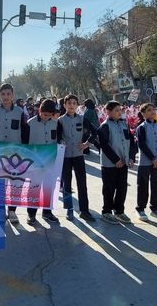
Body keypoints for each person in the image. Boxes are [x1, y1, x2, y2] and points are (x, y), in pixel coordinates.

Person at [0, 83, 29, 224]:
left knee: (15, 182)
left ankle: (12, 211)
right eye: (3, 94)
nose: (5, 97)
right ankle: (0, 210)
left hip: (16, 153)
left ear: (13, 95)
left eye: (8, 94)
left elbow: (24, 132)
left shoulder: (20, 112)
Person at [58, 94, 97, 222]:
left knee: (82, 184)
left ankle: (84, 211)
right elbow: (57, 137)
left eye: (74, 103)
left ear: (77, 105)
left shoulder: (82, 118)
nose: (71, 105)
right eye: (69, 103)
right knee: (67, 184)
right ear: (64, 105)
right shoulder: (60, 120)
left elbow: (94, 132)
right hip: (66, 157)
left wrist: (86, 144)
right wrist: (61, 143)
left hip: (79, 156)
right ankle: (69, 209)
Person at [97, 101, 136, 224]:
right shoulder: (105, 126)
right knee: (109, 188)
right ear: (108, 112)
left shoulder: (124, 124)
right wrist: (116, 160)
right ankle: (106, 212)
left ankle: (119, 211)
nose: (119, 112)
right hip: (110, 164)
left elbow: (132, 142)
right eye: (116, 110)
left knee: (122, 188)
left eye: (120, 110)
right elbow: (104, 146)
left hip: (123, 163)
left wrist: (131, 157)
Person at [24, 99, 61, 225]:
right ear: (39, 111)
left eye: (50, 115)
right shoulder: (30, 124)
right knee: (34, 187)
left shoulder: (56, 124)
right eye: (45, 114)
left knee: (49, 187)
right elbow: (25, 144)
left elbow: (59, 141)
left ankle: (47, 212)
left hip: (50, 161)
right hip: (35, 162)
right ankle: (31, 214)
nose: (47, 117)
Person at [135, 103, 157, 221]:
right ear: (143, 114)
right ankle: (140, 208)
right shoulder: (141, 127)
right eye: (149, 110)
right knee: (143, 185)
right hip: (145, 162)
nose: (152, 112)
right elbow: (142, 145)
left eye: (154, 109)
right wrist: (153, 159)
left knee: (156, 184)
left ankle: (155, 208)